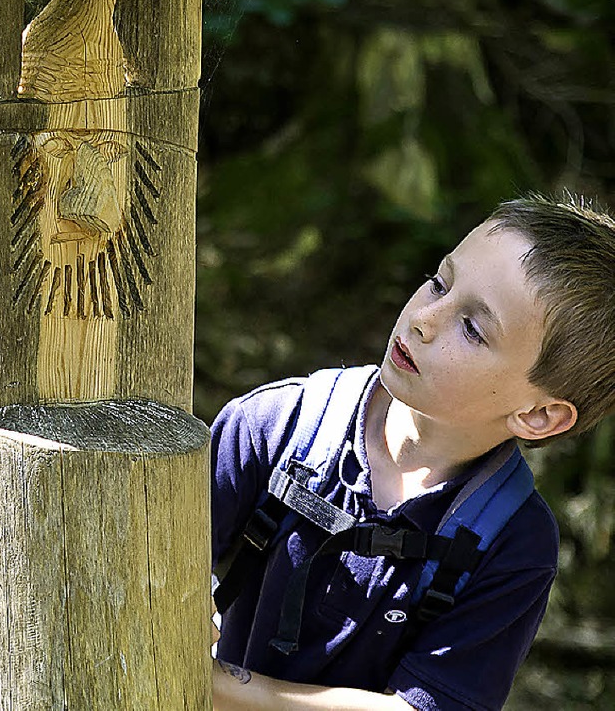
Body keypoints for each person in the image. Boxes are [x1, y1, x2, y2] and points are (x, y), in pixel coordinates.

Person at [210, 192, 615, 711]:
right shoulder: (275, 426)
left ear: (538, 415)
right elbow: (149, 563)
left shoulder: (514, 545)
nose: (425, 317)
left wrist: (219, 686)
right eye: (439, 281)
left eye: (472, 328)